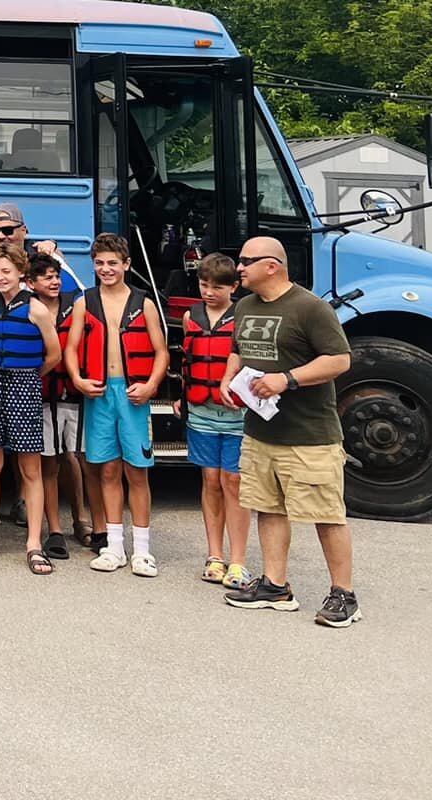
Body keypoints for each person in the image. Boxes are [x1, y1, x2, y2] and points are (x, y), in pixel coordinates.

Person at [222, 236, 358, 626]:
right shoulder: (245, 306)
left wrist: (288, 379)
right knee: (268, 507)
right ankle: (275, 585)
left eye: (246, 261)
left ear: (272, 266)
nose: (239, 267)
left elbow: (339, 360)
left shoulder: (310, 308)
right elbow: (239, 346)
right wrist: (228, 378)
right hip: (261, 432)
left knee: (326, 514)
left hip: (310, 436)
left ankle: (344, 595)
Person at [65, 232, 169, 577]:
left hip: (132, 394)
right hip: (99, 393)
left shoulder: (144, 302)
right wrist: (78, 380)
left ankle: (142, 549)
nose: (106, 269)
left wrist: (152, 384)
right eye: (99, 263)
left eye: (112, 263)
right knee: (106, 469)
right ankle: (113, 545)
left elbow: (160, 351)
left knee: (136, 471)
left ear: (126, 265)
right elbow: (71, 347)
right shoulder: (85, 301)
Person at [0, 244, 61, 575]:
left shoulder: (36, 310)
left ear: (22, 273)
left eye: (6, 271)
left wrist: (30, 376)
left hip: (24, 384)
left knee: (30, 468)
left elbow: (54, 354)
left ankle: (34, 543)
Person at [184, 252, 251, 587]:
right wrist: (182, 397)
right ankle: (215, 555)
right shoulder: (190, 316)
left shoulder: (244, 316)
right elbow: (187, 360)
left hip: (237, 413)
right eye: (204, 284)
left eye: (217, 287)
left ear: (234, 287)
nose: (209, 292)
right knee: (210, 480)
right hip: (201, 411)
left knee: (234, 482)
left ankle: (238, 559)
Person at [27, 250, 96, 556]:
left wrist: (55, 254)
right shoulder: (29, 309)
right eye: (47, 277)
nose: (54, 281)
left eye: (56, 276)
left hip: (74, 392)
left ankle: (85, 520)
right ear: (31, 283)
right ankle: (54, 529)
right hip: (44, 395)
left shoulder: (76, 305)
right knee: (49, 464)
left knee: (81, 458)